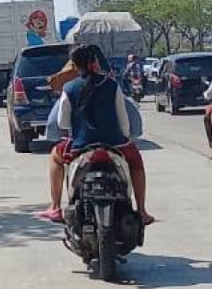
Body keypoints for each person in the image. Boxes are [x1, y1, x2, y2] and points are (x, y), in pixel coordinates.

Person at [39, 44, 153, 225]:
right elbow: (123, 121)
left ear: (75, 66)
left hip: (80, 147)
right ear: (96, 63)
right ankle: (141, 211)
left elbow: (62, 123)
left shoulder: (69, 88)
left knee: (55, 156)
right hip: (115, 144)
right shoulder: (111, 85)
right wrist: (124, 139)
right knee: (136, 162)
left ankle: (55, 207)